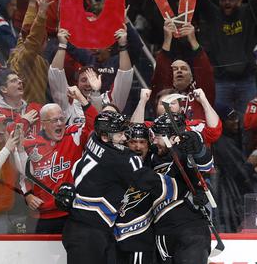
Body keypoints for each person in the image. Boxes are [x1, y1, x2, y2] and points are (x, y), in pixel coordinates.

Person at [63, 107, 170, 264]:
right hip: (89, 234)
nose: (124, 137)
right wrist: (176, 183)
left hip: (81, 228)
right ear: (105, 137)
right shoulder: (121, 160)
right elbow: (149, 182)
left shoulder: (94, 139)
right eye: (119, 134)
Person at [20, 87, 98, 234]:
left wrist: (81, 99)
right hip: (41, 217)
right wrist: (27, 195)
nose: (59, 123)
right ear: (43, 124)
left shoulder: (73, 134)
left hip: (71, 213)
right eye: (54, 120)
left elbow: (94, 125)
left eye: (62, 119)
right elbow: (22, 174)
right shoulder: (30, 144)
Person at [148, 101, 215, 264]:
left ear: (173, 137)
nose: (154, 141)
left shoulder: (185, 151)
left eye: (157, 137)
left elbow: (205, 163)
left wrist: (196, 142)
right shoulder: (152, 157)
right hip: (162, 233)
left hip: (190, 229)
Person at [49, 27, 133, 125]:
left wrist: (123, 46)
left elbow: (125, 75)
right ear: (77, 83)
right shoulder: (69, 101)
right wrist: (62, 45)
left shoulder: (108, 101)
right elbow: (55, 73)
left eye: (93, 79)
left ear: (100, 81)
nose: (89, 83)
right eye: (84, 80)